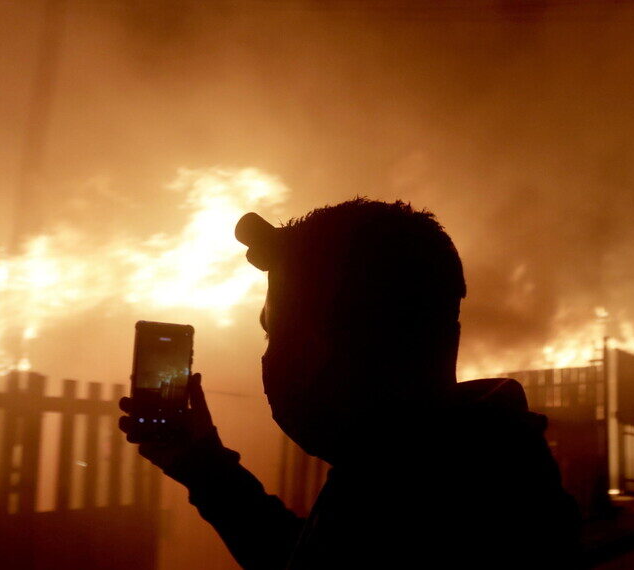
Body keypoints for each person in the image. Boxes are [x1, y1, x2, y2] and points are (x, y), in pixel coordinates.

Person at [119, 199, 581, 569]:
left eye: (274, 331)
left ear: (319, 344)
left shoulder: (413, 492)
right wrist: (203, 464)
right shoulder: (453, 473)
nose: (270, 355)